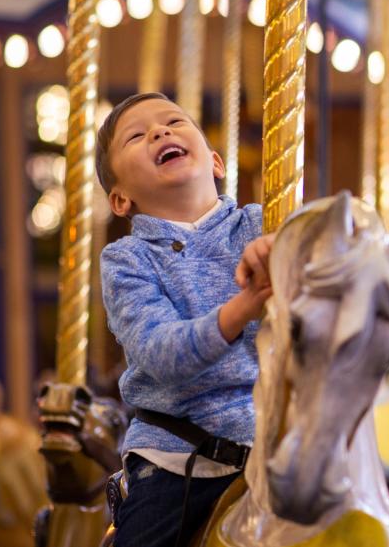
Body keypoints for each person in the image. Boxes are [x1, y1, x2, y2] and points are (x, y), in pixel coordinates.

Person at [96, 92, 272, 547]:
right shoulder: (128, 260)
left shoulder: (260, 225)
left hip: (276, 444)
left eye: (174, 121)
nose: (160, 131)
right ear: (120, 199)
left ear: (215, 162)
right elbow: (161, 352)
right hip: (178, 460)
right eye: (137, 136)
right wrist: (243, 306)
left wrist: (292, 250)